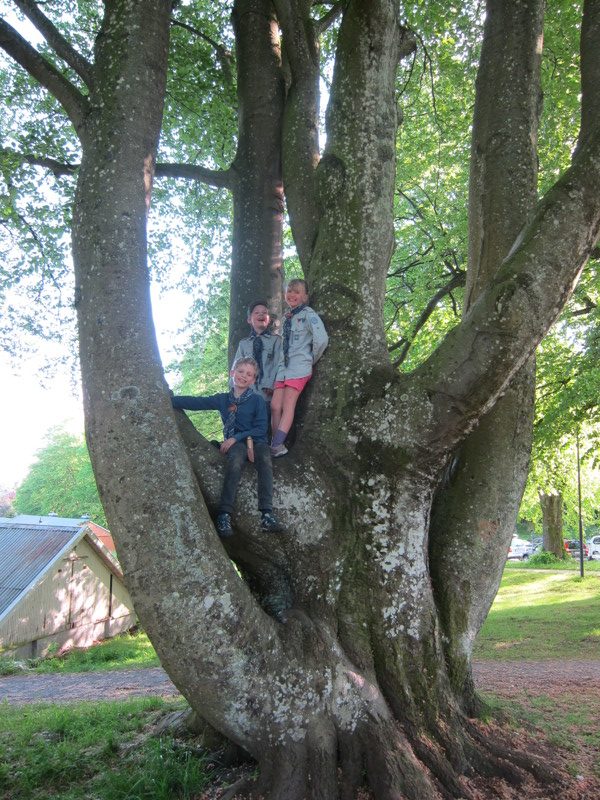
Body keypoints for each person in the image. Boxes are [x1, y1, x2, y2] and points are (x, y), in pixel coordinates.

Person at [171, 357, 283, 537]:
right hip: (236, 445)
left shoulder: (257, 401)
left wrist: (235, 437)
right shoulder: (223, 399)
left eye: (249, 374)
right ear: (232, 373)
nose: (243, 376)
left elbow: (261, 428)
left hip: (256, 441)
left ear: (253, 380)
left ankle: (266, 514)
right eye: (240, 371)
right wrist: (170, 400)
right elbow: (197, 402)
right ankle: (224, 514)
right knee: (236, 460)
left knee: (264, 459)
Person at [270, 278, 328, 457]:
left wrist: (310, 360)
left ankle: (276, 445)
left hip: (299, 367)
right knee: (274, 406)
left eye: (297, 292)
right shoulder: (286, 318)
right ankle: (277, 442)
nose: (292, 295)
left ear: (305, 296)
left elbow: (322, 339)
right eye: (289, 291)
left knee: (288, 406)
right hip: (283, 369)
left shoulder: (308, 314)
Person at [232, 300, 282, 407]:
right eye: (257, 312)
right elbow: (236, 367)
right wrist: (233, 390)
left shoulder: (276, 340)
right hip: (246, 394)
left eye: (264, 313)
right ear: (249, 319)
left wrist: (271, 384)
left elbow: (278, 363)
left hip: (267, 394)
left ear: (269, 319)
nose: (261, 314)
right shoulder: (244, 344)